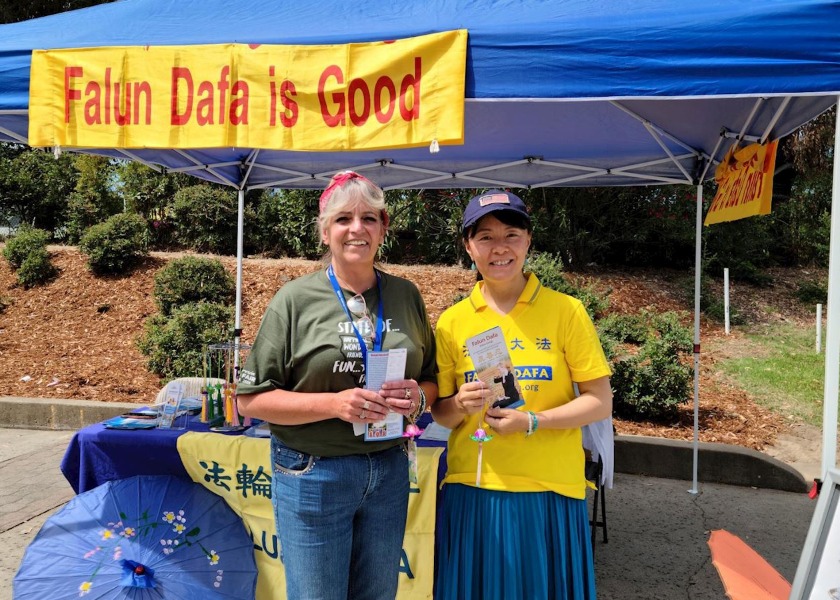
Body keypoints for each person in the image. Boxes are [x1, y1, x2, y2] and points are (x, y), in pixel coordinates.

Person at [237, 171, 438, 600]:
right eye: (343, 218)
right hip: (314, 472)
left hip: (388, 469)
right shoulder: (294, 299)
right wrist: (334, 404)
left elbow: (432, 381)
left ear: (383, 227)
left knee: (377, 594)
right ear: (325, 231)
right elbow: (251, 400)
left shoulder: (406, 295)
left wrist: (417, 397)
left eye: (369, 217)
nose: (357, 228)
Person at [431, 190, 613, 600]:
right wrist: (459, 403)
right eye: (486, 237)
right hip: (474, 488)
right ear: (468, 247)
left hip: (549, 490)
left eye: (512, 234)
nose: (500, 248)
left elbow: (600, 402)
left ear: (529, 241)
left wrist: (533, 421)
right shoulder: (452, 322)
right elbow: (441, 414)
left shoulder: (567, 311)